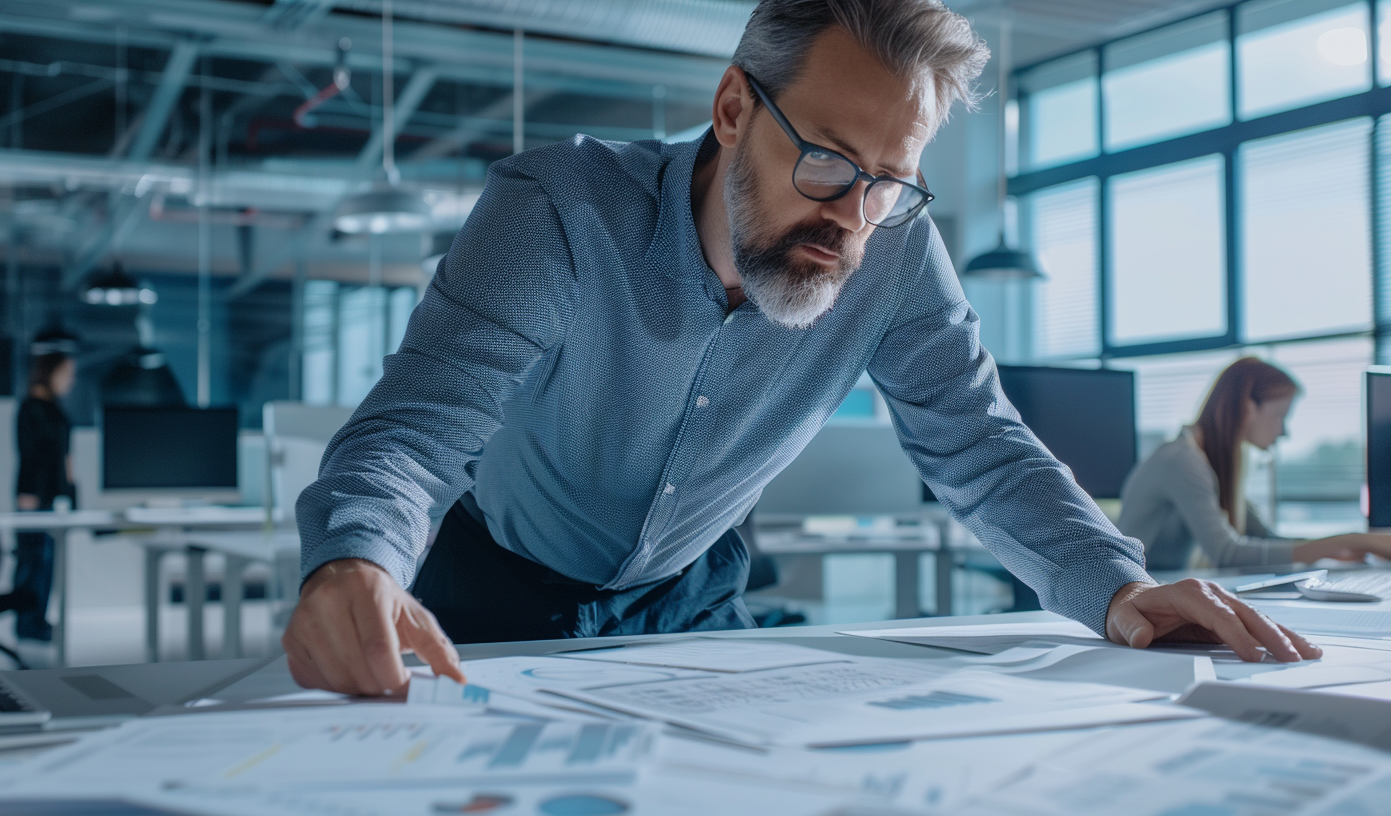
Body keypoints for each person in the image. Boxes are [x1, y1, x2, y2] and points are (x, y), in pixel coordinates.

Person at [285, 0, 1325, 697]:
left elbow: (977, 442)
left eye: (889, 178)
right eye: (827, 161)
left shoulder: (898, 248)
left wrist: (1115, 584)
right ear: (733, 109)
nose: (853, 217)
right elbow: (418, 428)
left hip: (691, 596)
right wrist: (355, 557)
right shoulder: (558, 212)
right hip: (490, 586)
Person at [1119, 357, 1391, 571]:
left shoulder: (1211, 463)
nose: (1284, 431)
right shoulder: (1181, 460)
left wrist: (1334, 548)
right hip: (1141, 597)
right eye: (1280, 415)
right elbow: (1228, 553)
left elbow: (1265, 538)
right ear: (1247, 407)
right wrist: (1354, 539)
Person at [13, 343, 77, 645]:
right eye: (66, 373)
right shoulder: (31, 408)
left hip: (54, 495)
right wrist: (28, 494)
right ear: (49, 372)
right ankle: (26, 622)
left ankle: (38, 620)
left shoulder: (56, 409)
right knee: (31, 560)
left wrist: (70, 491)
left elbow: (64, 455)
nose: (70, 380)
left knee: (47, 559)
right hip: (33, 495)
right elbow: (30, 455)